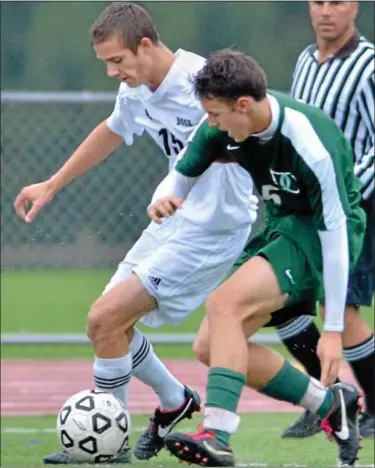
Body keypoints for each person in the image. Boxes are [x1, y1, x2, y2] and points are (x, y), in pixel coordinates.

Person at [13, 3, 259, 465]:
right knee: (104, 327)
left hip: (213, 232)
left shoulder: (205, 81)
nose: (112, 72)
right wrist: (51, 184)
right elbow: (111, 130)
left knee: (106, 318)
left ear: (145, 45)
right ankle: (174, 399)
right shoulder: (139, 90)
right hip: (172, 222)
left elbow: (257, 130)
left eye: (117, 60)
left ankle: (111, 445)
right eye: (106, 63)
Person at [143, 49, 366, 467]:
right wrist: (165, 198)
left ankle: (218, 433)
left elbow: (335, 234)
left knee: (223, 304)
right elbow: (182, 172)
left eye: (215, 114)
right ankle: (330, 404)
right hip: (283, 226)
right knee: (211, 345)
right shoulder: (224, 126)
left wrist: (333, 329)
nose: (210, 124)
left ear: (243, 105)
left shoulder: (307, 140)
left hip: (325, 234)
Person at [276, 0, 374, 439]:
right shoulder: (304, 60)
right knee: (284, 302)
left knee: (342, 312)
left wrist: (348, 187)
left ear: (354, 7)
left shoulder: (369, 65)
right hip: (303, 205)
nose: (325, 12)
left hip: (352, 208)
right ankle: (328, 401)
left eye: (336, 2)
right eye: (318, 2)